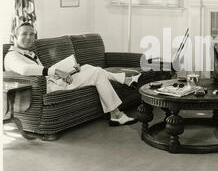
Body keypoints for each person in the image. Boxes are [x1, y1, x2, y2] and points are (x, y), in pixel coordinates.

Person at [4, 22, 140, 126]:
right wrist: (55, 71)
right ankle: (116, 113)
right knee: (97, 73)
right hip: (45, 89)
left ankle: (123, 82)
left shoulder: (29, 53)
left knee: (88, 67)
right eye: (24, 34)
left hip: (53, 82)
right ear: (14, 37)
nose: (29, 37)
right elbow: (25, 70)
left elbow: (42, 72)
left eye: (32, 34)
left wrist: (70, 70)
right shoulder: (12, 56)